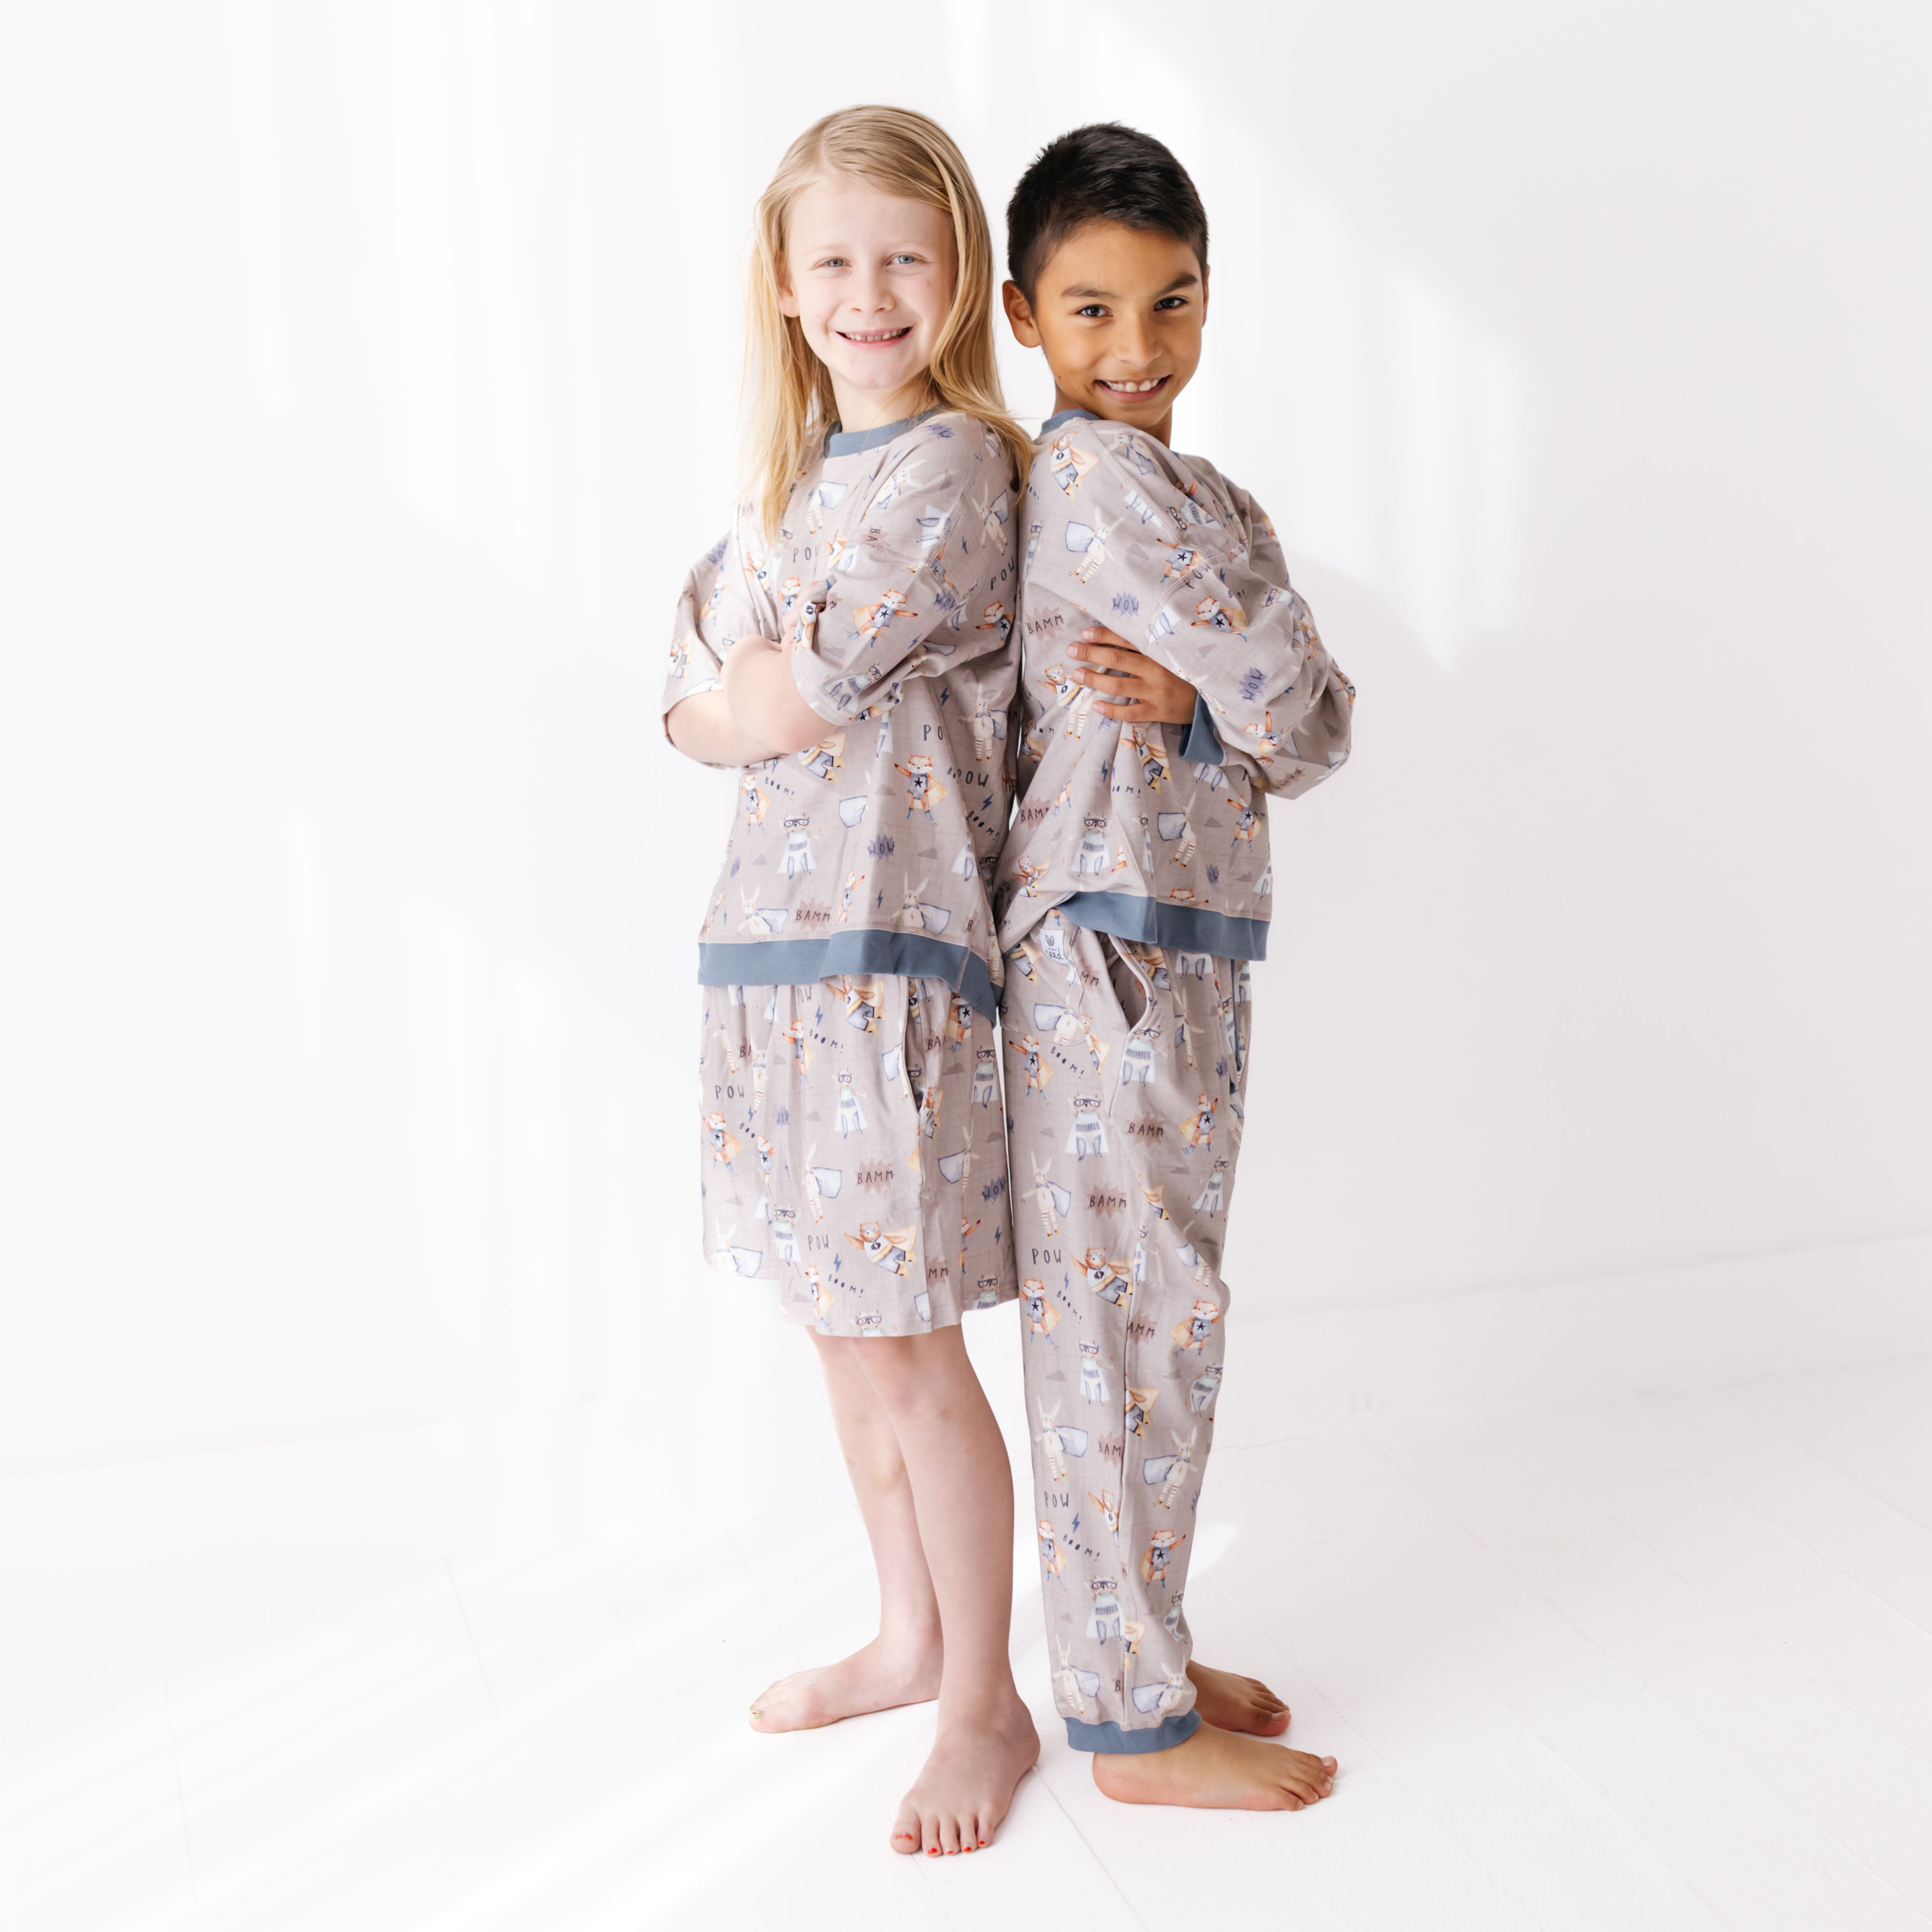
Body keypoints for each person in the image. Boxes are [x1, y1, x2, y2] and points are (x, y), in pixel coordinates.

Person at [662, 106, 1039, 1857]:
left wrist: (753, 681)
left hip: (895, 967)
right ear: (785, 282)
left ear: (958, 273)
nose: (870, 292)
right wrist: (744, 687)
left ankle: (985, 1700)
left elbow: (788, 694)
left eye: (906, 257)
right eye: (835, 260)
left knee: (909, 1348)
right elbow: (682, 702)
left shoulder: (955, 469)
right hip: (770, 961)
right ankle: (907, 1637)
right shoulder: (789, 490)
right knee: (841, 1331)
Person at [994, 122, 1354, 1811]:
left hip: (1186, 943)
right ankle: (1129, 1724)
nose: (1136, 347)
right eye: (1091, 310)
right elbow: (1295, 693)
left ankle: (1144, 1647)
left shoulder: (1212, 499)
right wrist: (1251, 690)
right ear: (1024, 316)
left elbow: (1320, 721)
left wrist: (1217, 694)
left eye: (1172, 302)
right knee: (1123, 1326)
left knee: (1168, 1315)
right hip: (1107, 947)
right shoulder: (1090, 484)